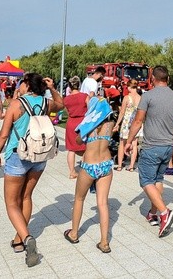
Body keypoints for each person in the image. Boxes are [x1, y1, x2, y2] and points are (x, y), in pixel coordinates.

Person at [0, 73, 62, 267]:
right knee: (26, 197)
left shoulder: (16, 104)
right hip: (40, 156)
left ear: (25, 84)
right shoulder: (46, 103)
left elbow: (4, 134)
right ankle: (19, 238)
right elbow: (61, 105)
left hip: (18, 155)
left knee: (11, 203)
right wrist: (53, 88)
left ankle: (28, 239)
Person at [124, 65, 173, 238]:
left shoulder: (148, 96)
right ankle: (153, 213)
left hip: (152, 146)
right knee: (158, 179)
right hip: (167, 147)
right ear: (168, 79)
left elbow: (138, 121)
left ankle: (165, 213)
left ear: (153, 79)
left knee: (146, 181)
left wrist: (128, 141)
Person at [64, 94, 119, 253]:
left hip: (90, 165)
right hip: (106, 164)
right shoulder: (110, 123)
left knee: (79, 198)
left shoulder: (88, 124)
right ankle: (104, 242)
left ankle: (74, 233)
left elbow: (78, 141)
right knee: (103, 203)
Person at [113, 79, 141, 171]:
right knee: (134, 143)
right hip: (136, 122)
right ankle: (132, 166)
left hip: (127, 122)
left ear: (129, 87)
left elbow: (122, 112)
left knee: (122, 143)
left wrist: (117, 124)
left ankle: (120, 165)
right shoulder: (140, 98)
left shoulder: (126, 97)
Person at [63, 76, 87, 179]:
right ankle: (85, 169)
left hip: (71, 122)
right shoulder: (84, 96)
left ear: (69, 86)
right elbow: (90, 109)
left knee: (71, 149)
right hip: (82, 122)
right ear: (79, 85)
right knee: (86, 147)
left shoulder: (66, 99)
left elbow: (68, 111)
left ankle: (72, 171)